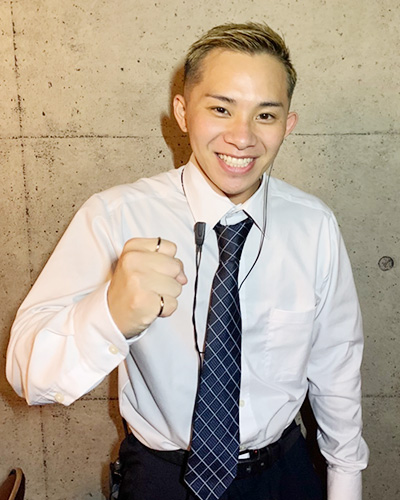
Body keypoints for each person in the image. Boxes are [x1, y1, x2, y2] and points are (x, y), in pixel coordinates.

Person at [7, 22, 368, 500]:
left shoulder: (314, 225)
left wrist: (345, 481)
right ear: (182, 112)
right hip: (161, 477)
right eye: (221, 109)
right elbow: (28, 375)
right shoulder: (116, 216)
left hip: (283, 472)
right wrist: (109, 314)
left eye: (265, 115)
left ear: (288, 124)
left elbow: (336, 366)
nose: (242, 137)